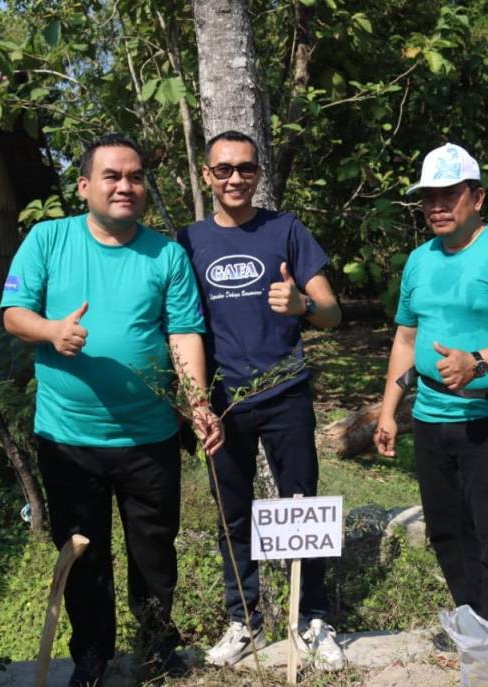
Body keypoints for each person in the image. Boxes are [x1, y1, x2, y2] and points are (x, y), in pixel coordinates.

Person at [2, 134, 221, 686]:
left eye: (136, 177)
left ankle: (155, 646)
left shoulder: (166, 254)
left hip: (148, 437)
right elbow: (13, 314)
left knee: (154, 552)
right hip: (68, 439)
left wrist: (197, 405)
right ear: (85, 187)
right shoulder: (48, 240)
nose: (126, 186)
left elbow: (184, 333)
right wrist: (52, 331)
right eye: (112, 176)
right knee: (83, 557)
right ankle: (92, 660)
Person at [372, 143, 488, 656]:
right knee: (449, 533)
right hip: (430, 418)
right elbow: (406, 340)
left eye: (448, 194)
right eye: (428, 196)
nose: (437, 205)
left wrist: (478, 361)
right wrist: (389, 410)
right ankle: (475, 630)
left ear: (476, 196)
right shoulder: (419, 260)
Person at [176, 130, 344, 670]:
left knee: (303, 507)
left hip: (285, 392)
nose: (234, 178)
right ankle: (243, 620)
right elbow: (182, 329)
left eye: (245, 168)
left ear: (257, 174)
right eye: (223, 169)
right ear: (206, 176)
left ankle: (312, 618)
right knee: (233, 513)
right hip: (223, 403)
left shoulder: (286, 230)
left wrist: (301, 305)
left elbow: (332, 313)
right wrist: (197, 400)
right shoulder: (187, 242)